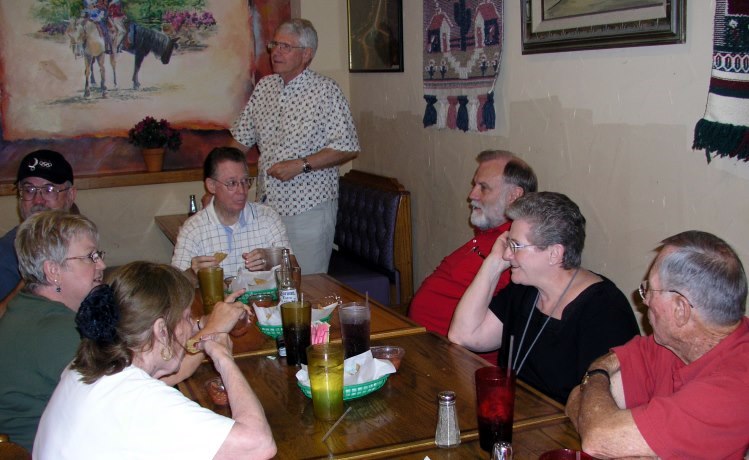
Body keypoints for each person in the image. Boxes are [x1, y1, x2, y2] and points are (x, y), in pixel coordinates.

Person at [34, 262, 277, 459]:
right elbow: (258, 444)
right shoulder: (141, 402)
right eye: (186, 317)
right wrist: (224, 358)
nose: (193, 325)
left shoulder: (88, 365)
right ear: (161, 330)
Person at [565, 231, 749, 459]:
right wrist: (599, 373)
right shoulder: (669, 344)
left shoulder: (733, 390)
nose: (644, 300)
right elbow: (577, 399)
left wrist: (593, 382)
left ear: (680, 309)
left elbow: (597, 438)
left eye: (649, 290)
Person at [448, 192, 640, 403]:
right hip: (518, 420)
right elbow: (464, 336)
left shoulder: (605, 311)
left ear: (554, 254)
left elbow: (604, 407)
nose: (507, 255)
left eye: (516, 246)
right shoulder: (526, 289)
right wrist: (493, 263)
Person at [231, 18, 360, 275]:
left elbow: (348, 146)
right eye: (274, 44)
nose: (276, 52)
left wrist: (300, 165)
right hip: (267, 207)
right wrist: (219, 180)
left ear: (306, 54)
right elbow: (240, 141)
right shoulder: (265, 88)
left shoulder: (325, 91)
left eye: (285, 46)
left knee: (306, 283)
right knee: (268, 282)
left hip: (308, 209)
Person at [409, 150, 537, 364]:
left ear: (514, 196)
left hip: (451, 360)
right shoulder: (488, 235)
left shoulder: (514, 251)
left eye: (483, 187)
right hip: (420, 344)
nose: (472, 195)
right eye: (474, 185)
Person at [0, 211, 104, 451]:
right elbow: (127, 400)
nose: (101, 264)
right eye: (91, 257)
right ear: (53, 271)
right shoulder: (57, 331)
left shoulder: (26, 308)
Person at [171, 147, 293, 284]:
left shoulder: (268, 218)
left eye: (245, 181)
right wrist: (193, 273)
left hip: (263, 303)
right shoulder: (193, 229)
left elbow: (294, 270)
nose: (241, 191)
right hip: (217, 303)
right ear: (211, 186)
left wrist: (271, 258)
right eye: (232, 183)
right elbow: (175, 287)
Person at [0, 150, 77, 308]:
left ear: (70, 196)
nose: (38, 200)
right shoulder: (6, 255)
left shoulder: (79, 240)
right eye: (29, 190)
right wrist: (29, 284)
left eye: (49, 190)